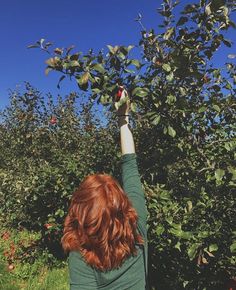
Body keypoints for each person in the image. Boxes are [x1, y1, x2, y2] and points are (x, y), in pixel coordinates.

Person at [61, 88, 148, 290]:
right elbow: (130, 165)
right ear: (124, 206)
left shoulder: (81, 256)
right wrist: (123, 117)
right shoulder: (137, 229)